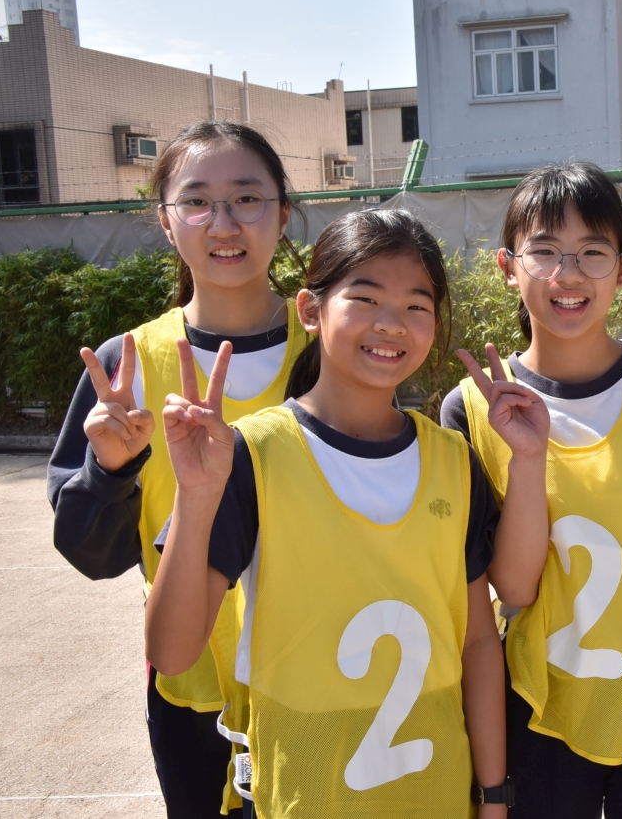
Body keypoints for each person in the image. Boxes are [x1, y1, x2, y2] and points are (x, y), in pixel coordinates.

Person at [144, 209, 513, 817]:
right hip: (302, 797)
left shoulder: (453, 460)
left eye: (417, 306)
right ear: (310, 311)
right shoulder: (251, 454)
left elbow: (476, 641)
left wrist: (494, 795)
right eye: (365, 298)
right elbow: (173, 652)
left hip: (438, 795)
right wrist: (197, 497)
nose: (391, 323)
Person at [443, 162, 622, 819]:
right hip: (536, 713)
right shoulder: (472, 409)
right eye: (544, 251)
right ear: (507, 267)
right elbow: (514, 590)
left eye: (592, 253)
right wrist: (527, 462)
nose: (567, 274)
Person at [48, 121, 310, 818]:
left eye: (247, 198)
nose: (223, 223)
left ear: (283, 213)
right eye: (196, 201)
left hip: (321, 672)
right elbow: (93, 555)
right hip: (192, 688)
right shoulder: (126, 366)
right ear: (165, 220)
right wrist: (109, 472)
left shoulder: (331, 350)